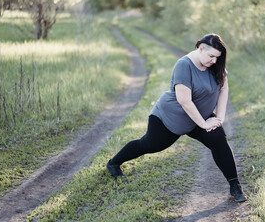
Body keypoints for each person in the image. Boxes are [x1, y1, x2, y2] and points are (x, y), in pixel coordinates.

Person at [106, 34, 247, 202]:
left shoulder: (215, 66)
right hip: (171, 117)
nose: (214, 61)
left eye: (218, 57)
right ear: (200, 48)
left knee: (218, 139)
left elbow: (223, 90)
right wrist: (203, 123)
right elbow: (184, 101)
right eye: (211, 56)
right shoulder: (184, 65)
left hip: (199, 116)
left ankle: (235, 186)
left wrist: (218, 120)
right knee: (150, 144)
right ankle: (114, 163)